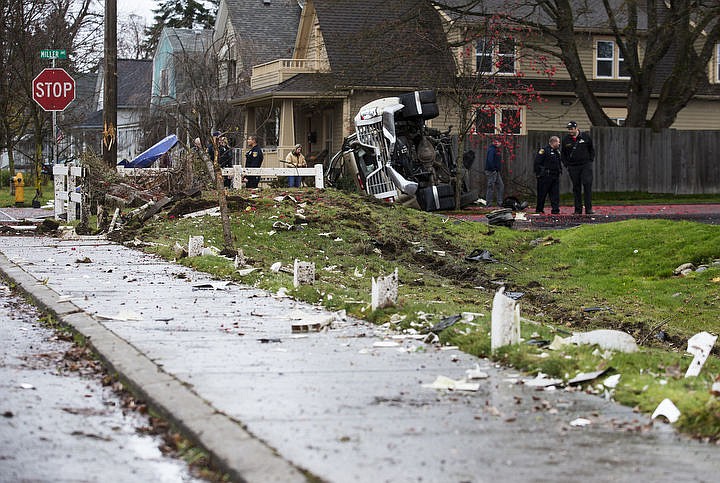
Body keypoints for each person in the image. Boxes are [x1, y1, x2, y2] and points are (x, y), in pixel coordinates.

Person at [561, 121, 595, 214]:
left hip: (585, 165)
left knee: (587, 185)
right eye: (569, 129)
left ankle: (589, 209)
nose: (570, 131)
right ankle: (578, 209)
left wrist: (590, 160)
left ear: (576, 128)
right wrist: (566, 164)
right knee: (576, 187)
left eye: (572, 129)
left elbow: (591, 149)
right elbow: (563, 154)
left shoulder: (585, 137)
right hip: (573, 167)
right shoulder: (566, 139)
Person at [534, 136, 562, 214]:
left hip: (555, 176)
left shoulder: (557, 152)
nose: (559, 144)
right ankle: (539, 209)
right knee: (542, 194)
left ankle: (555, 210)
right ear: (554, 142)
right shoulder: (544, 150)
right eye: (558, 142)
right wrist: (540, 173)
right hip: (546, 176)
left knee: (555, 194)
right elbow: (537, 162)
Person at [484, 137, 504, 207]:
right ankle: (488, 204)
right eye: (499, 142)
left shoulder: (496, 150)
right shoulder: (492, 150)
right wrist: (493, 169)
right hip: (491, 171)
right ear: (495, 142)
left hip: (496, 171)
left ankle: (500, 202)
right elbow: (490, 160)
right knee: (491, 187)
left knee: (501, 186)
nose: (500, 144)